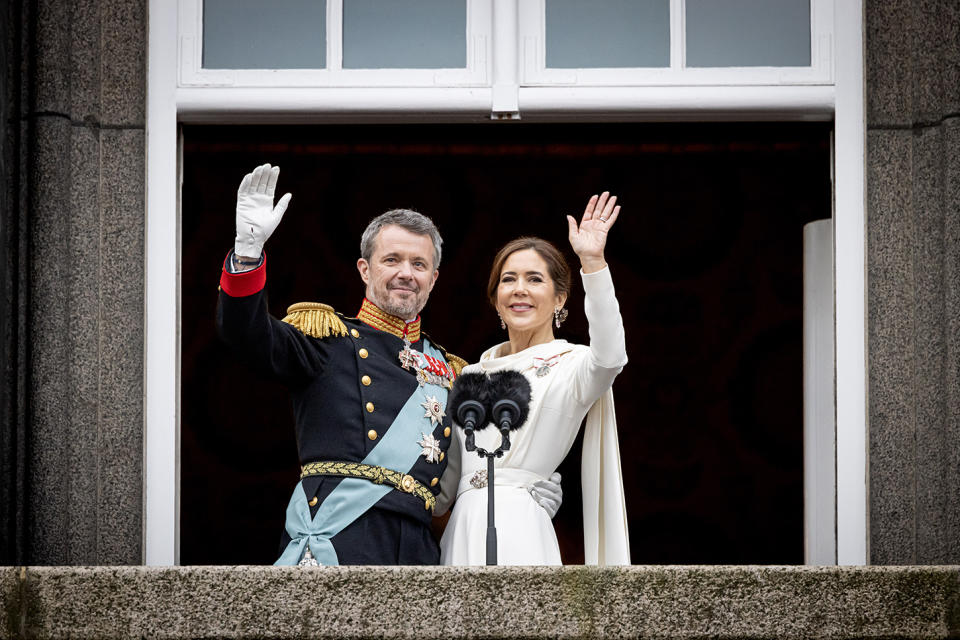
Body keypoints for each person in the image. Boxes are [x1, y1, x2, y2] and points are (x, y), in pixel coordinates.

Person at [216, 164, 561, 566]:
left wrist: (522, 490)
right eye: (392, 260)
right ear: (365, 269)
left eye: (418, 264)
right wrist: (247, 253)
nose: (405, 274)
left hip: (418, 547)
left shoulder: (453, 372)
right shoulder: (327, 339)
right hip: (340, 538)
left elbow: (479, 466)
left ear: (433, 279)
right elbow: (247, 334)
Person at [437, 192, 631, 566]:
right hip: (462, 528)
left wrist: (592, 263)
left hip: (521, 525)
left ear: (560, 298)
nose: (519, 289)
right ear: (496, 300)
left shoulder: (573, 365)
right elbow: (443, 487)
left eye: (534, 279)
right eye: (508, 280)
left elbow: (611, 356)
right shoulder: (469, 376)